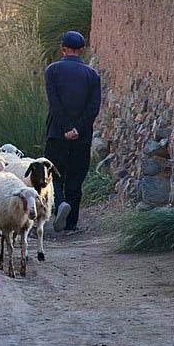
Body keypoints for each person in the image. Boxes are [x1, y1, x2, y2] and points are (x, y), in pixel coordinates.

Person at [44, 30, 101, 233]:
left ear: (63, 49)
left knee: (53, 174)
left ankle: (60, 204)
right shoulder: (92, 75)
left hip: (57, 134)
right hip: (82, 137)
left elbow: (55, 104)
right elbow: (93, 108)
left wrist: (66, 127)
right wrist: (78, 128)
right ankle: (72, 224)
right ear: (82, 50)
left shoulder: (52, 71)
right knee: (76, 178)